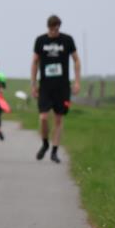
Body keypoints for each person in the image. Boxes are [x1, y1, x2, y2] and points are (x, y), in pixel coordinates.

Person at [31, 14, 81, 163]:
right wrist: (33, 84)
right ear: (48, 28)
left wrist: (77, 81)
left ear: (59, 27)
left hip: (62, 86)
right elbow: (35, 62)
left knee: (59, 119)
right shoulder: (40, 40)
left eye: (56, 29)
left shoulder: (67, 40)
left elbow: (76, 60)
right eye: (52, 29)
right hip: (45, 86)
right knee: (44, 117)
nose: (54, 32)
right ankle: (45, 143)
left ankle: (54, 150)